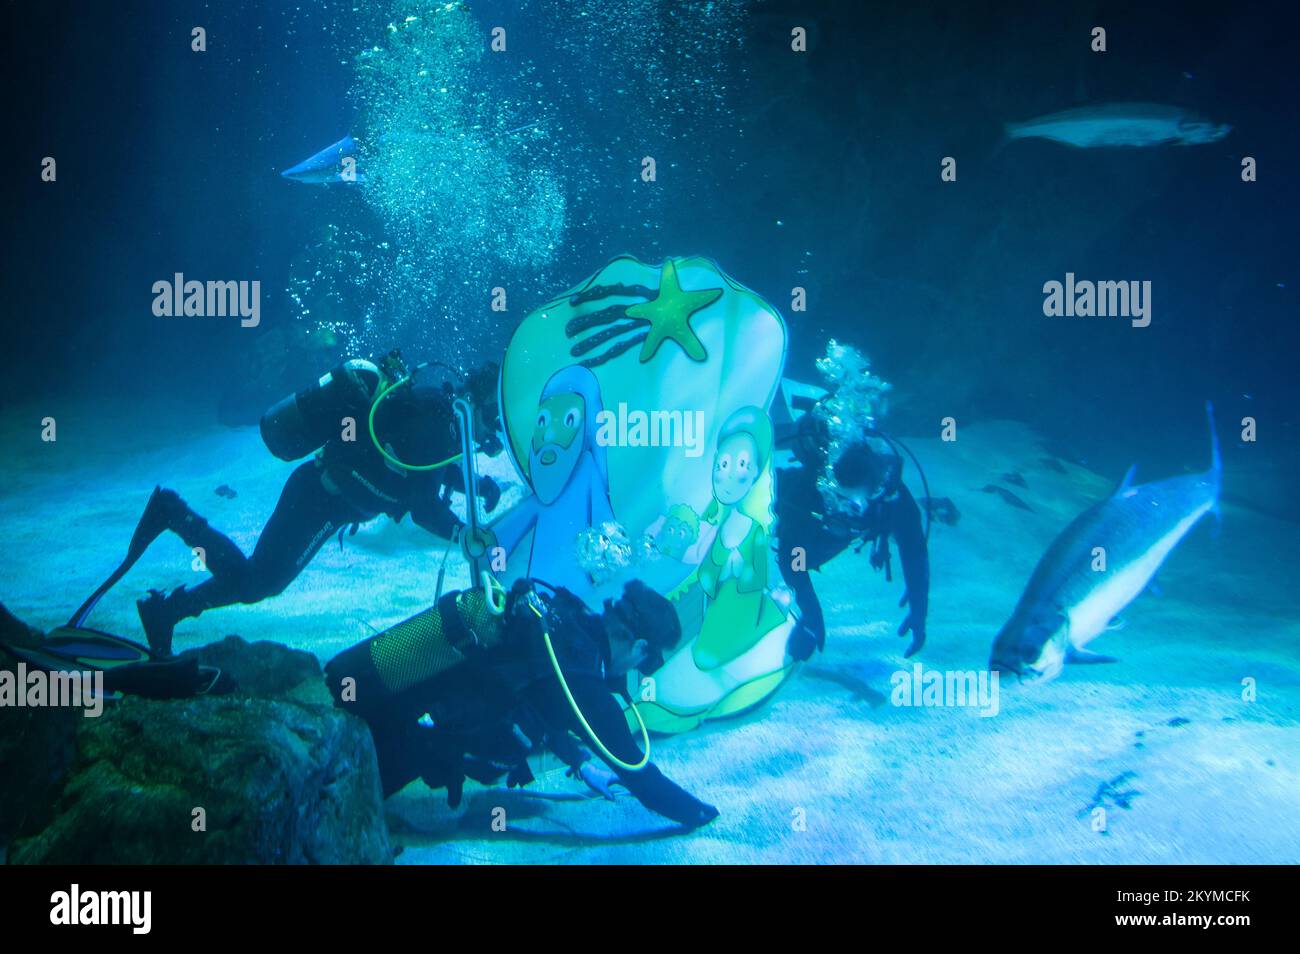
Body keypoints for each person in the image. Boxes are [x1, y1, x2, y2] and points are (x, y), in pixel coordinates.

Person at [134, 357, 504, 657]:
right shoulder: (441, 427)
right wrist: (465, 535)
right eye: (494, 422)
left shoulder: (438, 413)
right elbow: (423, 505)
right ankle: (174, 518)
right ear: (482, 405)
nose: (491, 437)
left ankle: (167, 610)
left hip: (324, 494)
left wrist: (478, 485)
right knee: (257, 582)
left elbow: (425, 470)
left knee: (260, 580)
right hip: (319, 499)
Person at [325, 578, 719, 829]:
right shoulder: (587, 686)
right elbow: (641, 777)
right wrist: (703, 814)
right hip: (411, 736)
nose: (638, 671)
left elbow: (540, 698)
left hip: (408, 697)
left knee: (326, 738)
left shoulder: (566, 618)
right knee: (325, 798)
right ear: (638, 646)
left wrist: (581, 764)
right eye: (646, 662)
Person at [774, 404, 930, 661]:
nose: (852, 510)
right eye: (843, 501)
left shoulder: (892, 496)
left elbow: (914, 548)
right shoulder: (806, 492)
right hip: (809, 517)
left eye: (858, 502)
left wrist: (919, 604)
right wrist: (812, 615)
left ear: (875, 489)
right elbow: (791, 557)